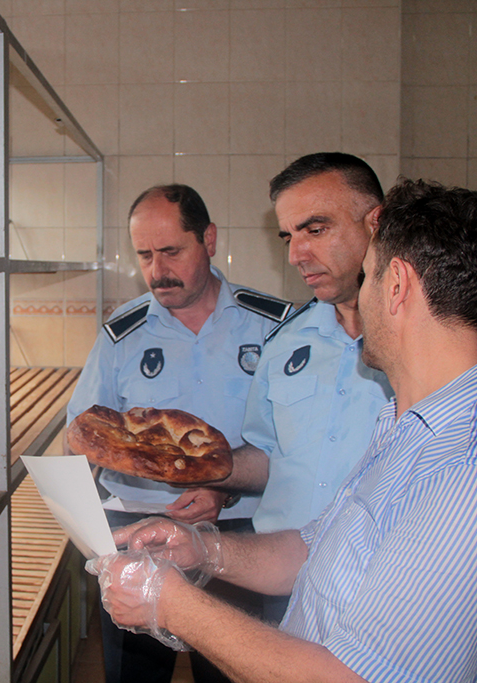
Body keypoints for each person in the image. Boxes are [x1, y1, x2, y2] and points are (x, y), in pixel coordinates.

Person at [88, 179, 477, 682]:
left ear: (397, 285)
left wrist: (171, 604)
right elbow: (319, 549)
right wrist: (203, 549)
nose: (355, 299)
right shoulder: (410, 428)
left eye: (366, 277)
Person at [220, 153, 477, 621]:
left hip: (406, 597)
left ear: (376, 222)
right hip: (282, 583)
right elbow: (272, 455)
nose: (295, 254)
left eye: (315, 229)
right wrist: (205, 470)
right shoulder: (285, 341)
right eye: (288, 236)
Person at [65, 184, 290, 683]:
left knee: (232, 670)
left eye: (171, 251)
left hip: (238, 534)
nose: (156, 270)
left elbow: (289, 444)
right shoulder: (121, 334)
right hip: (134, 529)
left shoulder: (272, 327)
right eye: (144, 255)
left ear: (208, 239)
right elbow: (80, 433)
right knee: (134, 674)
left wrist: (222, 492)